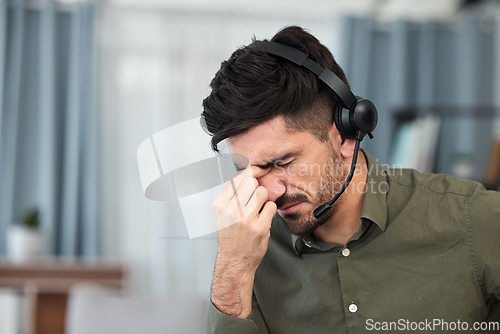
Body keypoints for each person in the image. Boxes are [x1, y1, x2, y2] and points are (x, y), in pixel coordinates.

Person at [201, 26, 500, 333]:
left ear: (346, 134)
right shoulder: (248, 249)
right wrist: (234, 267)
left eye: (284, 162)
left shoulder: (474, 219)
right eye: (250, 171)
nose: (271, 191)